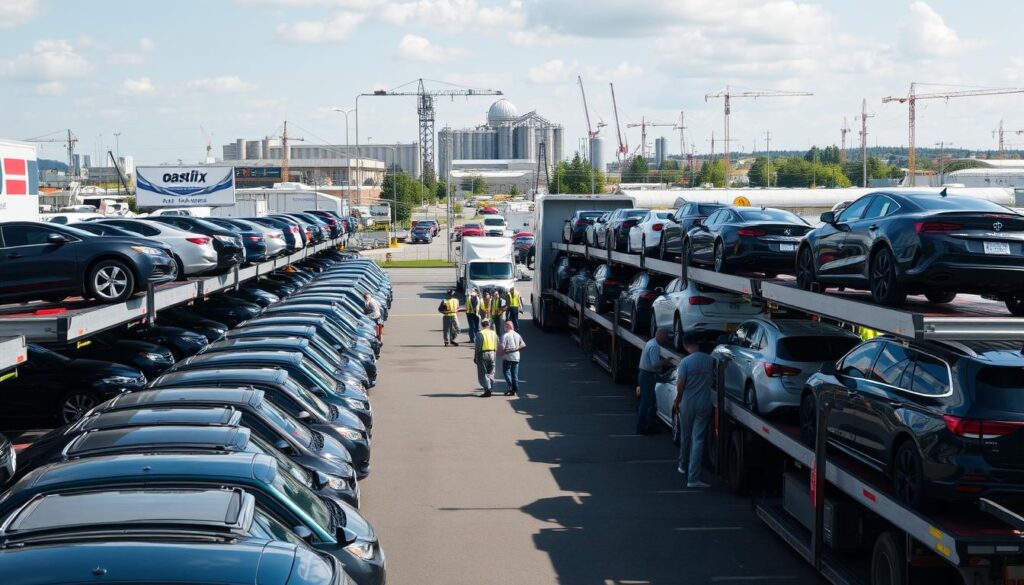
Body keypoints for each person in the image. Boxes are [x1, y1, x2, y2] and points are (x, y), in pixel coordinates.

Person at [673, 333, 716, 488]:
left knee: (685, 435)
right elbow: (722, 368)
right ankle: (693, 478)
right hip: (704, 402)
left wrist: (677, 401)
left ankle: (682, 466)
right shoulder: (710, 360)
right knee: (698, 439)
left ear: (685, 345)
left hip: (688, 402)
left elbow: (680, 384)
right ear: (697, 343)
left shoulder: (685, 362)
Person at [636, 328, 673, 435]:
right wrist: (665, 362)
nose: (667, 339)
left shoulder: (651, 343)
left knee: (651, 402)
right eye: (666, 337)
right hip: (647, 375)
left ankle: (650, 425)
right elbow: (655, 364)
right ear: (661, 336)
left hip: (646, 374)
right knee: (646, 402)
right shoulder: (654, 346)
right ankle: (641, 427)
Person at [498, 320, 526, 396]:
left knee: (506, 371)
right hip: (516, 357)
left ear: (508, 326)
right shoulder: (517, 335)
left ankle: (511, 386)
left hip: (508, 357)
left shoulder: (505, 335)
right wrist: (516, 349)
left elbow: (502, 348)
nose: (504, 327)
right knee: (515, 373)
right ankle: (515, 388)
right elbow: (523, 345)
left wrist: (498, 352)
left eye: (505, 326)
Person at [474, 319, 499, 397]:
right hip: (492, 353)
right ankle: (490, 388)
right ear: (488, 325)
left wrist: (475, 357)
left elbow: (478, 347)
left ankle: (487, 389)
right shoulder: (494, 333)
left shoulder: (480, 333)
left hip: (483, 354)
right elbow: (497, 343)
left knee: (483, 373)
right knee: (491, 371)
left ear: (482, 325)